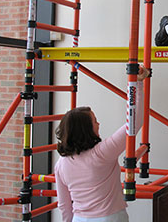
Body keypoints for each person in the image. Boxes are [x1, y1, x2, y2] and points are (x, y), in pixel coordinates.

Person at [54, 66, 150, 222]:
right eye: (94, 121)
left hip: (78, 219)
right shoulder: (102, 153)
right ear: (86, 129)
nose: (99, 124)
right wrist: (138, 84)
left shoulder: (61, 165)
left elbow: (64, 205)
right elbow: (134, 122)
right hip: (109, 218)